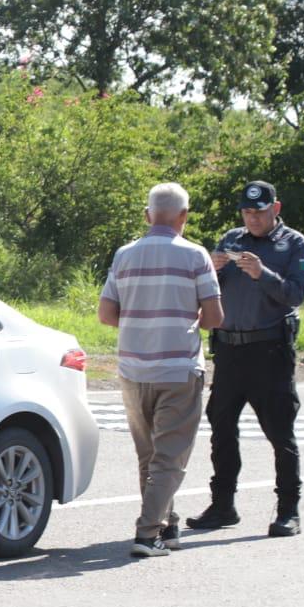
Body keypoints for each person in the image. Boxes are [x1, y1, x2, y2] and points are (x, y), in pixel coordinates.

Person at [98, 183, 224, 558]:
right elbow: (215, 317)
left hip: (134, 369)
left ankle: (168, 526)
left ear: (147, 215)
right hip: (178, 369)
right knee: (170, 458)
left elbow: (106, 314)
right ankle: (147, 533)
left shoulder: (124, 255)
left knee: (148, 456)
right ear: (184, 216)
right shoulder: (195, 256)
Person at [186, 180, 304, 537]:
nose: (252, 218)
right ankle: (222, 505)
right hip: (229, 349)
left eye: (259, 212)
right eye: (246, 211)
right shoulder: (232, 239)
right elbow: (209, 289)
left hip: (269, 351)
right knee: (221, 426)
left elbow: (295, 294)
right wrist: (212, 268)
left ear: (276, 208)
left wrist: (263, 273)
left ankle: (289, 509)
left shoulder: (294, 244)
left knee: (279, 431)